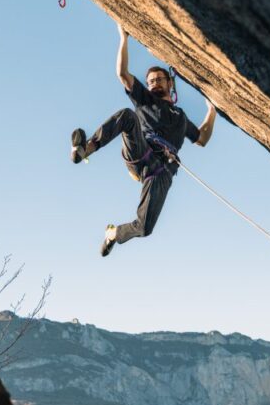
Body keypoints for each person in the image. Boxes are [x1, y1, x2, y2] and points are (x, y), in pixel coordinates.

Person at [70, 23, 216, 256]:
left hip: (163, 172)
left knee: (145, 227)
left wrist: (213, 109)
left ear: (170, 83)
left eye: (159, 79)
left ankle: (112, 234)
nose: (154, 83)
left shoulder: (181, 117)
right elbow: (122, 74)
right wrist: (123, 38)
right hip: (142, 151)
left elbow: (203, 138)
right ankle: (86, 149)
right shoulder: (146, 100)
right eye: (151, 81)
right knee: (128, 116)